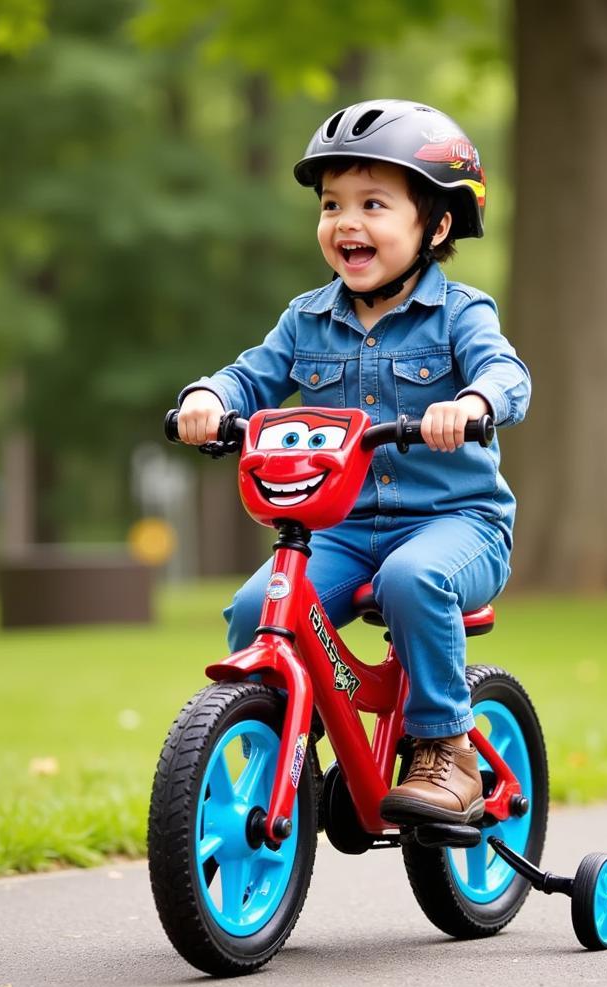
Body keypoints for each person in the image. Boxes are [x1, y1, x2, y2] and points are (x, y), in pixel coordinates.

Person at [176, 99, 531, 826]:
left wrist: (470, 403)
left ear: (434, 225)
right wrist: (210, 397)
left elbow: (507, 374)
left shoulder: (461, 312)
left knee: (413, 579)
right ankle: (283, 754)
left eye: (374, 204)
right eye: (332, 204)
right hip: (340, 527)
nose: (346, 223)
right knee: (255, 609)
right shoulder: (306, 318)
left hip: (456, 525)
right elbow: (251, 375)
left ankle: (447, 746)